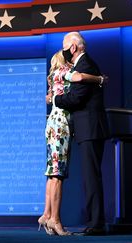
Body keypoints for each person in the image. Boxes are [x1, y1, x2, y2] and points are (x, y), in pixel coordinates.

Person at [48, 32, 110, 236]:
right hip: (85, 129)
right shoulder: (79, 67)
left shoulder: (85, 64)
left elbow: (76, 98)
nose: (64, 52)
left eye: (65, 47)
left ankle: (96, 224)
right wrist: (100, 79)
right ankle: (94, 221)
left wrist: (55, 100)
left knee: (91, 177)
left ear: (73, 47)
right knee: (88, 176)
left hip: (90, 128)